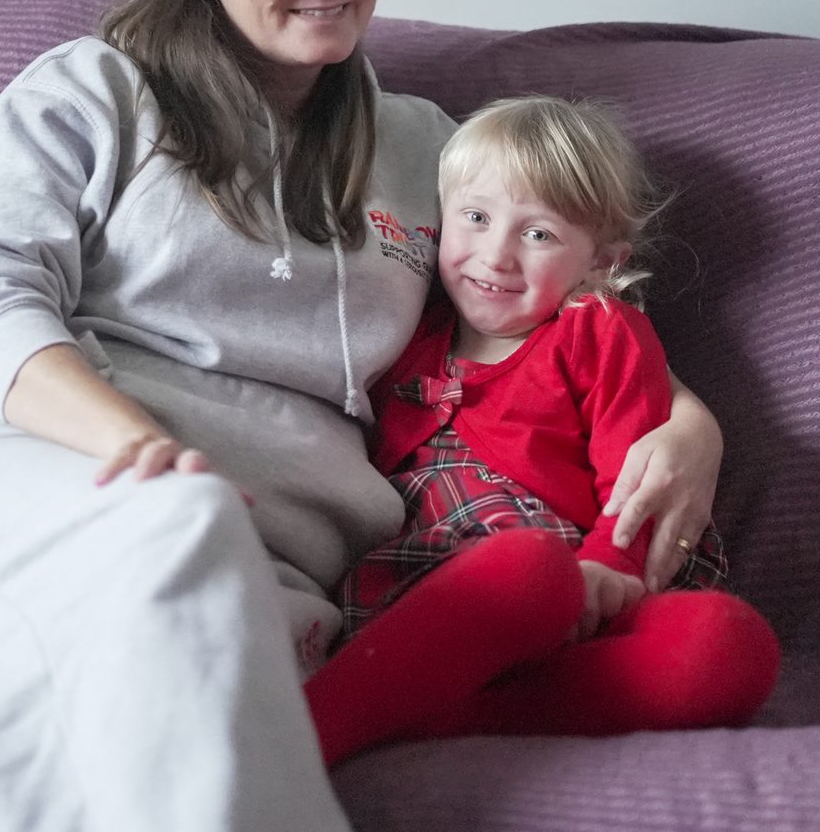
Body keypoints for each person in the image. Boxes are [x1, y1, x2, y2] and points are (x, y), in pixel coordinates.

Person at [0, 0, 729, 832]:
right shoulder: (94, 93)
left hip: (265, 575)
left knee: (153, 691)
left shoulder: (429, 151)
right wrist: (145, 452)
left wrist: (689, 420)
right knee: (173, 561)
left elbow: (543, 301)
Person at [305, 97, 780, 766]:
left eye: (539, 234)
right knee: (526, 570)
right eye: (475, 218)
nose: (496, 255)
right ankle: (316, 730)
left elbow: (636, 470)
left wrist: (607, 566)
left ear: (601, 263)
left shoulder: (597, 331)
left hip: (592, 581)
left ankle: (451, 718)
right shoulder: (408, 333)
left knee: (728, 643)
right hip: (453, 598)